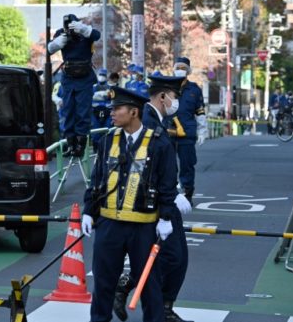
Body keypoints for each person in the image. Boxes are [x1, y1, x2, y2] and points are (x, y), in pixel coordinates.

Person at [81, 86, 178, 322]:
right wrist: (88, 211)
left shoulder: (158, 143)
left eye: (117, 109)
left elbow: (167, 184)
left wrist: (165, 218)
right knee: (103, 284)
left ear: (134, 112)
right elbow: (97, 179)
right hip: (109, 225)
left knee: (149, 286)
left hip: (143, 228)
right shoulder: (107, 140)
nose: (111, 113)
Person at [112, 75, 194, 322]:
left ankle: (163, 306)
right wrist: (171, 195)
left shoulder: (157, 119)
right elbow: (140, 166)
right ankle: (130, 290)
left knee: (176, 258)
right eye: (174, 97)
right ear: (162, 97)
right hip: (152, 203)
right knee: (171, 257)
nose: (176, 102)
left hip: (163, 198)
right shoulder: (145, 120)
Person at [48, 14, 101, 157]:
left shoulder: (85, 33)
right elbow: (49, 49)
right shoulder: (61, 33)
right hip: (69, 77)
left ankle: (80, 145)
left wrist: (84, 29)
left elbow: (97, 35)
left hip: (85, 76)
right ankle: (70, 144)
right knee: (68, 110)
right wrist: (58, 42)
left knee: (83, 111)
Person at [170, 57, 207, 205]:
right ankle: (169, 193)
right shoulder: (166, 87)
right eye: (178, 67)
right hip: (168, 131)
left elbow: (200, 111)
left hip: (187, 132)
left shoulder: (195, 89)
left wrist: (203, 131)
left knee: (187, 164)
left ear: (188, 71)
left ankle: (187, 193)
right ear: (173, 68)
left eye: (183, 68)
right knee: (168, 164)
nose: (180, 70)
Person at [91, 69, 113, 151]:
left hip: (107, 111)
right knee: (96, 131)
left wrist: (99, 96)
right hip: (95, 112)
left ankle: (107, 148)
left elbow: (112, 98)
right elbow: (90, 98)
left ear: (106, 77)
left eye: (103, 75)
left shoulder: (110, 87)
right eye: (100, 75)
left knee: (108, 130)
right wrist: (103, 95)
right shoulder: (93, 87)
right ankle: (96, 148)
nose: (101, 77)